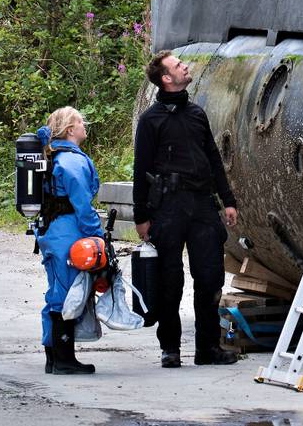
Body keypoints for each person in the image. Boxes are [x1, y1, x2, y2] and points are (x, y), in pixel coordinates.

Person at [133, 52, 238, 369]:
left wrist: (228, 199)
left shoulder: (196, 114)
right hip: (168, 206)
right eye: (179, 65)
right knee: (169, 280)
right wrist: (141, 216)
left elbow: (214, 158)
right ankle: (170, 349)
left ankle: (207, 349)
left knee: (209, 278)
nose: (185, 67)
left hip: (202, 204)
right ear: (166, 78)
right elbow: (141, 169)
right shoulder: (151, 121)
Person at [35, 106, 103, 375]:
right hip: (68, 232)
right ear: (70, 130)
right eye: (80, 122)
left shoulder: (53, 157)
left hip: (51, 230)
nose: (85, 125)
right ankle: (64, 359)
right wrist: (96, 236)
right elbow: (82, 205)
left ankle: (53, 357)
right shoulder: (72, 161)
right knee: (67, 293)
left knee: (55, 292)